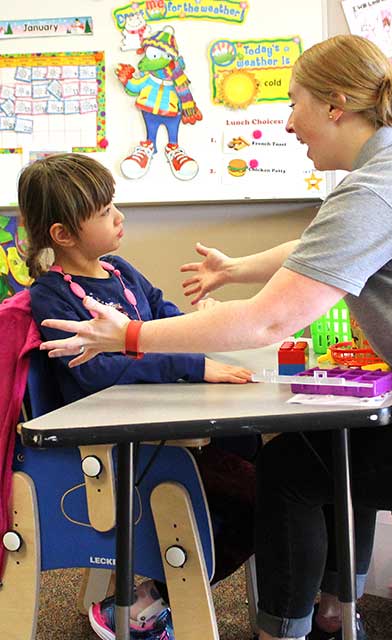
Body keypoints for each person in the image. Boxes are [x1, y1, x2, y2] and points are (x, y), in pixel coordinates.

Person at [39, 35, 392, 640]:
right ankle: (333, 613)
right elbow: (318, 250)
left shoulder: (378, 189)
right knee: (337, 444)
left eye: (294, 104)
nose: (289, 122)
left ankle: (285, 629)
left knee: (294, 469)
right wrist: (235, 268)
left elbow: (270, 321)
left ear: (336, 105)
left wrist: (130, 335)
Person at [18, 153, 257, 640]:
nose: (119, 217)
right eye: (106, 211)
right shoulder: (53, 296)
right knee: (258, 496)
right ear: (63, 234)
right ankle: (150, 600)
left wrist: (199, 324)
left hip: (160, 428)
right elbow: (100, 373)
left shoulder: (121, 271)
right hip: (118, 451)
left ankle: (165, 589)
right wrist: (194, 364)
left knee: (259, 454)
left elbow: (163, 324)